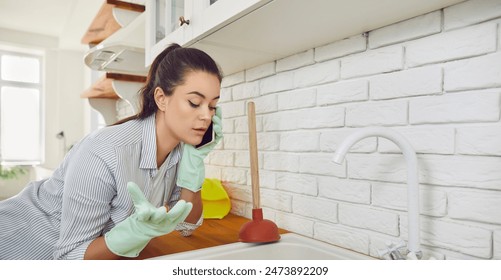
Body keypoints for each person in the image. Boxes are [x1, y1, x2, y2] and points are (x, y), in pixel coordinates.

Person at [0, 43, 223, 260]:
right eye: (195, 102)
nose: (206, 115)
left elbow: (186, 226)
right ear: (161, 99)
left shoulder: (180, 154)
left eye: (212, 106)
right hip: (18, 245)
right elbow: (69, 258)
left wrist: (194, 169)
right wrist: (132, 234)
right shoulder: (106, 151)